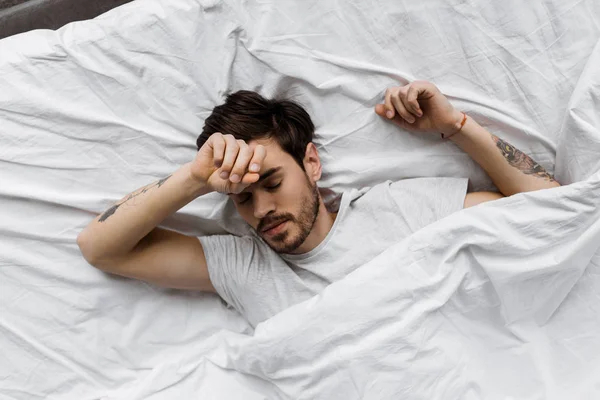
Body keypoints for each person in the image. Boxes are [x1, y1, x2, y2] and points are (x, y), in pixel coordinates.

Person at [77, 81, 560, 326]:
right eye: (241, 197)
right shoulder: (246, 264)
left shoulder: (397, 207)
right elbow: (103, 248)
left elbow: (555, 211)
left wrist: (454, 124)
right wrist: (194, 179)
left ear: (310, 163)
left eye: (271, 182)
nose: (261, 208)